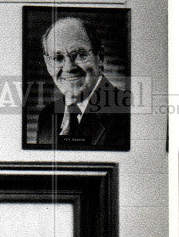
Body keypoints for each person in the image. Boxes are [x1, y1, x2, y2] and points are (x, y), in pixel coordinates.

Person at [35, 16, 130, 149]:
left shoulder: (127, 111)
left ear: (100, 57)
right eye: (58, 58)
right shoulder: (47, 117)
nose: (69, 67)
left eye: (80, 54)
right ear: (48, 65)